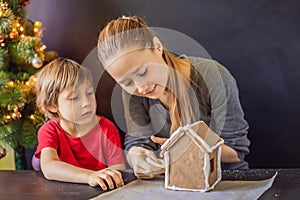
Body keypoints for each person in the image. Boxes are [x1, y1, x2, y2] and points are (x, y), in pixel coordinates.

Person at [97, 16, 250, 179]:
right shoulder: (132, 93)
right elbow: (138, 141)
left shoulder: (213, 76)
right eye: (126, 82)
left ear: (157, 47)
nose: (141, 87)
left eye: (143, 72)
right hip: (172, 181)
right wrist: (136, 156)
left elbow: (236, 153)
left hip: (226, 178)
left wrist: (190, 150)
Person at [32, 58, 125, 190]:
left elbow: (118, 170)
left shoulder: (107, 129)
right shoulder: (49, 131)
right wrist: (90, 177)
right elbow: (48, 166)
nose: (86, 103)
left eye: (89, 93)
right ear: (52, 105)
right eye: (74, 98)